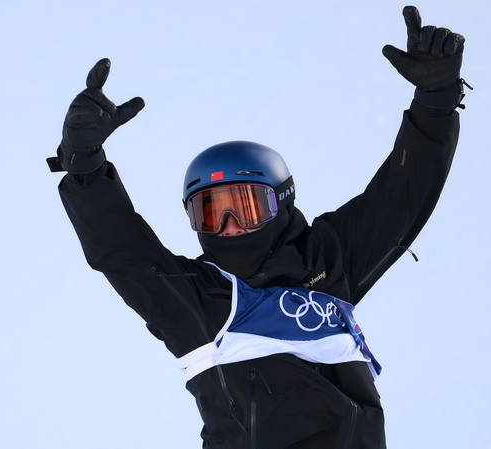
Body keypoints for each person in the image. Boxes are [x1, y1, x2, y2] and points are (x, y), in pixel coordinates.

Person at [47, 6, 467, 448]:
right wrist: (85, 170)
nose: (228, 227)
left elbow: (403, 194)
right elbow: (122, 251)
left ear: (282, 203)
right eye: (210, 214)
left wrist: (436, 100)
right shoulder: (197, 301)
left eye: (245, 208)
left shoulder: (328, 260)